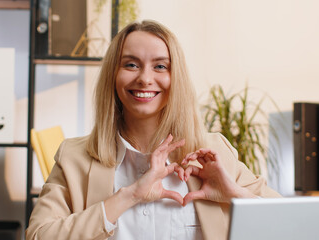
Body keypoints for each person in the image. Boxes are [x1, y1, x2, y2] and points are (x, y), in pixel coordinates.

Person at [25, 20, 281, 240]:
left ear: (176, 77)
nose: (145, 78)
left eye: (160, 66)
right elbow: (39, 235)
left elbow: (295, 225)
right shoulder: (74, 157)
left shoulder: (214, 152)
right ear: (113, 76)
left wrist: (235, 194)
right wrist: (129, 196)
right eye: (131, 65)